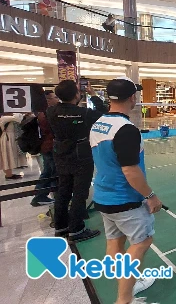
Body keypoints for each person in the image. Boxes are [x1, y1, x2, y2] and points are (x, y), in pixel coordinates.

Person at [90, 77, 161, 304]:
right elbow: (130, 171)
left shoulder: (99, 123)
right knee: (141, 243)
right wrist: (150, 196)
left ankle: (125, 285)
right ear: (132, 97)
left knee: (115, 242)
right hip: (124, 200)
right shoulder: (126, 129)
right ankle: (124, 300)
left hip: (103, 196)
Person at [47, 80, 107, 242]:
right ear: (76, 94)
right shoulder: (85, 113)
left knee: (63, 191)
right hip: (81, 155)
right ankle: (76, 229)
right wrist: (93, 95)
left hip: (60, 154)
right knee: (80, 193)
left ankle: (61, 226)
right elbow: (104, 113)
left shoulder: (51, 111)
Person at [31, 90, 60, 206]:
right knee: (54, 172)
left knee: (48, 171)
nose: (57, 100)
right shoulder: (47, 114)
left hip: (46, 146)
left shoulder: (42, 113)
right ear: (48, 99)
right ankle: (54, 197)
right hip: (51, 146)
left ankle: (40, 195)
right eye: (55, 97)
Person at [0, 113, 26, 180]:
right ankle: (8, 175)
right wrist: (23, 113)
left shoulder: (7, 117)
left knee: (8, 156)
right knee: (6, 157)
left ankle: (9, 174)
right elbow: (18, 118)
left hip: (9, 138)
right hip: (7, 139)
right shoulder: (3, 118)